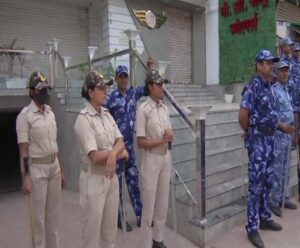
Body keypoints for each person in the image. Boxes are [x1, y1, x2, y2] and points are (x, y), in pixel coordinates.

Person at [239, 50, 294, 248]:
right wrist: (250, 132)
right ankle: (252, 227)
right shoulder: (253, 87)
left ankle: (264, 217)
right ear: (259, 65)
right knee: (255, 186)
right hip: (259, 142)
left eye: (272, 63)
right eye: (268, 63)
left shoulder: (269, 86)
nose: (271, 66)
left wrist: (283, 127)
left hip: (271, 141)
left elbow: (270, 116)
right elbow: (243, 115)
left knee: (268, 182)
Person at [74, 71, 128, 248]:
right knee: (91, 236)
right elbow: (95, 156)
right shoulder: (83, 120)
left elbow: (120, 141)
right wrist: (117, 153)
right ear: (90, 92)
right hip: (94, 180)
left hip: (111, 179)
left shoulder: (107, 114)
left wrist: (113, 153)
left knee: (109, 234)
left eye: (106, 87)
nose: (105, 91)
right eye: (101, 88)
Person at [106, 58, 155, 231]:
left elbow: (149, 86)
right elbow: (101, 116)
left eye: (125, 76)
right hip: (116, 149)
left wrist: (149, 68)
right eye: (120, 77)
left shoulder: (134, 94)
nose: (123, 79)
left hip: (131, 149)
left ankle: (141, 216)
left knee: (134, 183)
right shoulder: (111, 97)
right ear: (117, 78)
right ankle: (119, 218)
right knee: (117, 186)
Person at [16, 71, 64, 248]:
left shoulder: (50, 112)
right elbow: (23, 150)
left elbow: (54, 143)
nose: (43, 92)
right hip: (37, 170)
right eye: (39, 89)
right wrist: (26, 178)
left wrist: (62, 169)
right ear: (31, 91)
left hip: (54, 167)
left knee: (53, 219)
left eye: (45, 88)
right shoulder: (24, 116)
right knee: (38, 221)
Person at [136, 69, 173, 248]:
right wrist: (161, 140)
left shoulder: (164, 108)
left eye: (162, 84)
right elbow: (141, 142)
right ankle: (145, 243)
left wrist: (169, 133)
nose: (161, 87)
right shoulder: (143, 110)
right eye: (158, 84)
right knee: (149, 207)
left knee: (162, 203)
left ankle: (158, 239)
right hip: (151, 160)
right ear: (150, 87)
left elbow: (168, 131)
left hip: (165, 157)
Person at [271, 60, 297, 218]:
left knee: (286, 169)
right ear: (275, 72)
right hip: (278, 134)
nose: (285, 73)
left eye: (286, 71)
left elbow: (290, 112)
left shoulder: (286, 91)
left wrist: (294, 133)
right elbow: (271, 116)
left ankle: (284, 198)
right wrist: (282, 127)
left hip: (288, 135)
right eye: (281, 71)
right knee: (277, 169)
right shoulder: (273, 91)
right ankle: (274, 202)